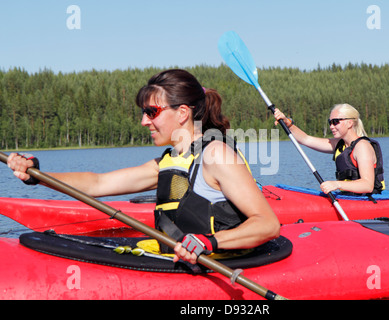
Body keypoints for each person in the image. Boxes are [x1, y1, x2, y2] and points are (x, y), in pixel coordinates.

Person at [7, 69, 280, 265]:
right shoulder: (168, 162)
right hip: (178, 258)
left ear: (183, 112)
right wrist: (37, 174)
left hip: (222, 260)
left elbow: (267, 225)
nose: (144, 121)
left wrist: (209, 242)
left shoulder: (217, 155)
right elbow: (98, 184)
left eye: (151, 112)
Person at [274, 103, 384, 195]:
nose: (331, 126)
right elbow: (306, 139)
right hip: (349, 198)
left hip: (368, 200)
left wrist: (336, 184)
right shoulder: (339, 145)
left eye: (336, 122)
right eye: (330, 122)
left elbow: (367, 185)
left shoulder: (362, 146)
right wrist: (288, 123)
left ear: (350, 123)